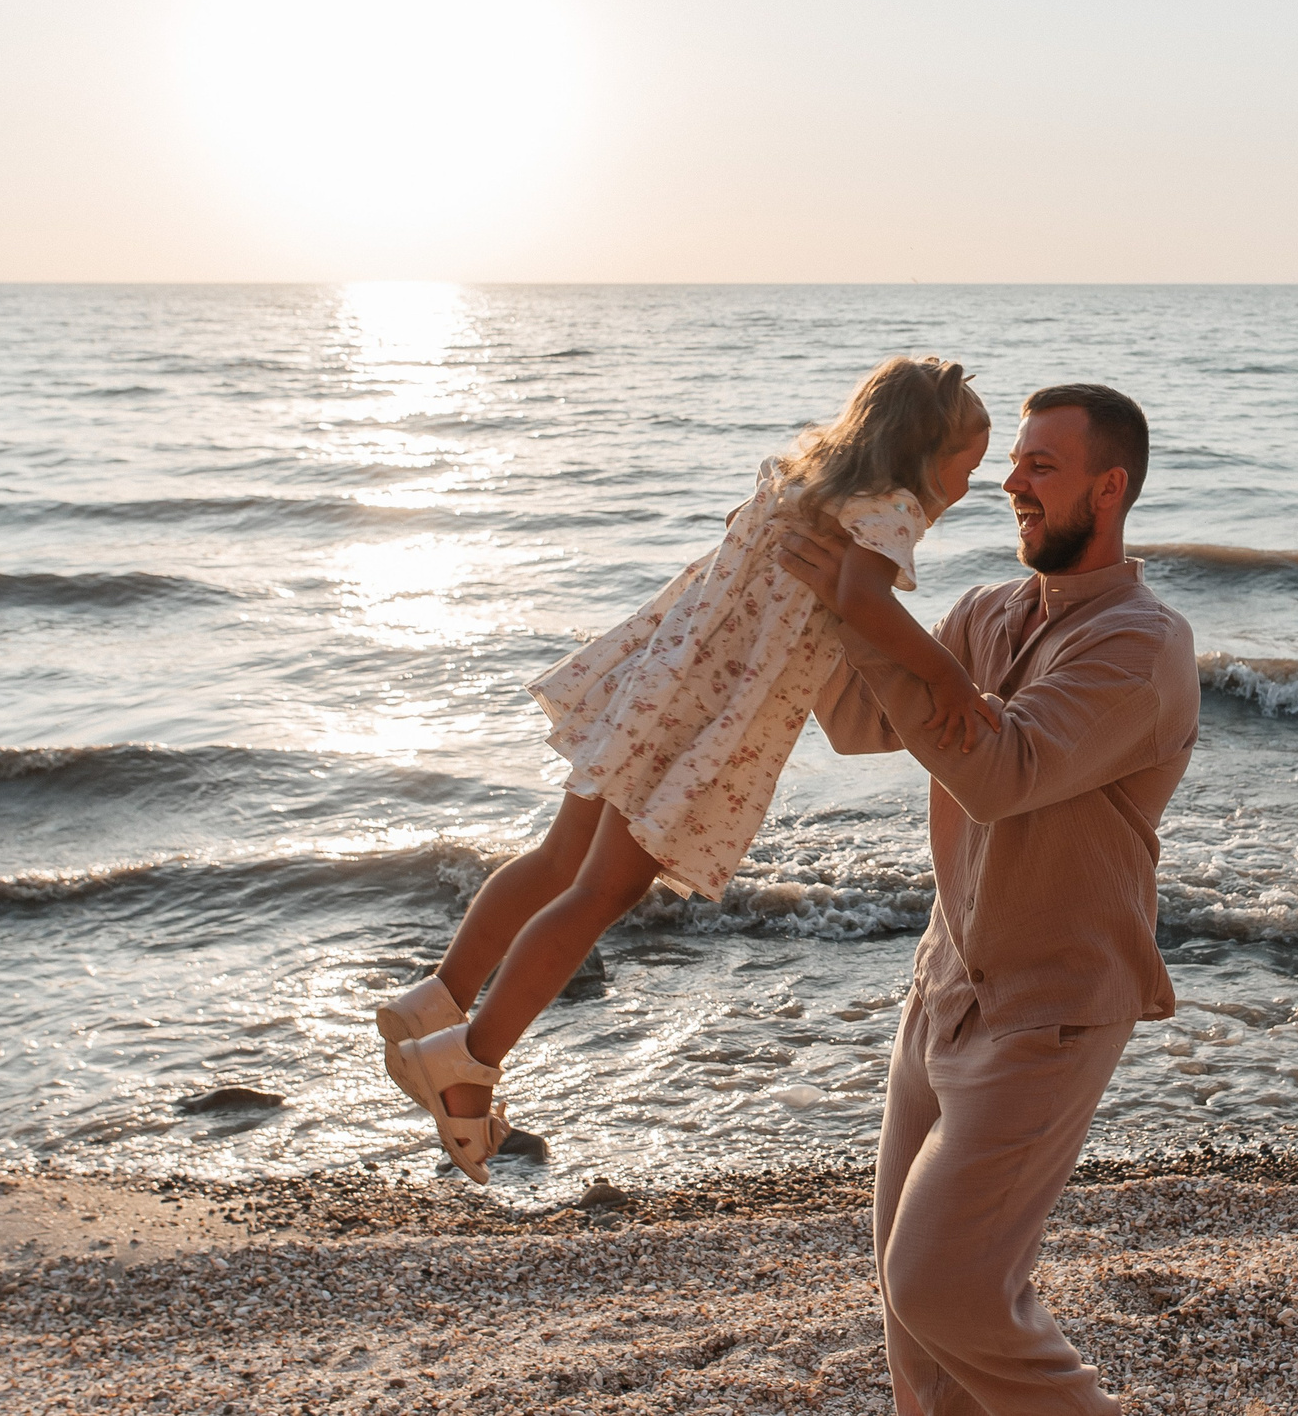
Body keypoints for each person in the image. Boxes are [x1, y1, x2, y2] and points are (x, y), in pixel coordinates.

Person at [373, 356, 998, 1182]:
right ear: (922, 453)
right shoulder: (887, 511)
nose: (970, 483)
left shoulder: (798, 481)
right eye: (968, 463)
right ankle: (465, 1064)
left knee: (558, 862)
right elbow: (863, 600)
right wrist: (951, 677)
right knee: (603, 891)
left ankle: (440, 996)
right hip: (707, 716)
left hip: (656, 683)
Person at [777, 382, 1198, 1416]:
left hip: (1048, 1010)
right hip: (945, 987)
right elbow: (858, 723)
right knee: (915, 1330)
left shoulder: (1141, 644)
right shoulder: (987, 612)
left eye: (1038, 466)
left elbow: (997, 770)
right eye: (1012, 460)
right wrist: (805, 590)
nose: (1009, 481)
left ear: (1109, 489)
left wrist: (867, 608)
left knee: (948, 1288)